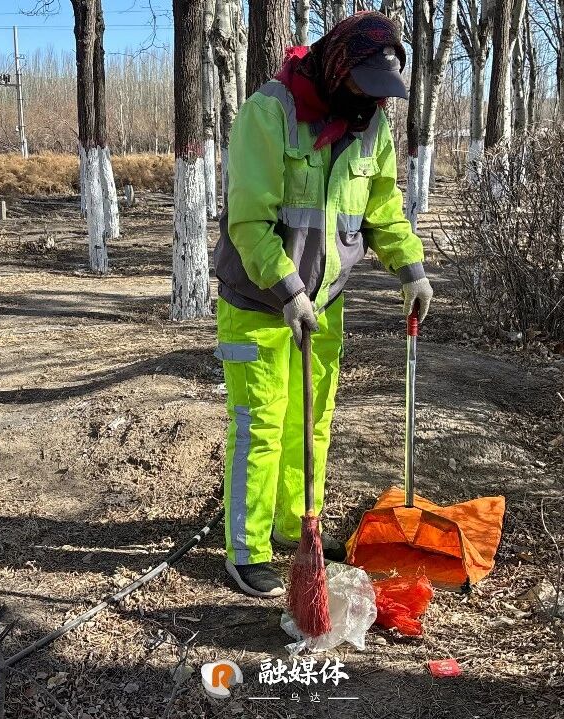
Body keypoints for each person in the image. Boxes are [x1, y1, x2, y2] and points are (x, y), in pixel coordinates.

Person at [212, 12, 433, 598]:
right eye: (364, 85)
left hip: (326, 304)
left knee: (311, 423)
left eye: (382, 91)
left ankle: (297, 527)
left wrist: (410, 270)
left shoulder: (371, 127)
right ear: (339, 68)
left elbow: (382, 210)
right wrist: (288, 292)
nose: (372, 100)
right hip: (259, 301)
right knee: (260, 426)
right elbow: (249, 221)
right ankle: (246, 549)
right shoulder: (270, 113)